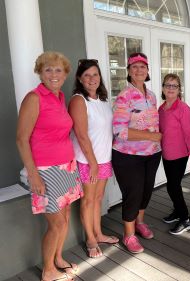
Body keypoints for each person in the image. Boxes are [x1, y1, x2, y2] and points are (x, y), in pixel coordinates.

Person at [16, 51, 83, 281]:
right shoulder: (34, 98)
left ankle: (58, 258)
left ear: (65, 74)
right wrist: (33, 175)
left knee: (64, 218)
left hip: (66, 166)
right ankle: (48, 271)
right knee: (56, 224)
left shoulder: (59, 97)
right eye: (48, 70)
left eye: (58, 70)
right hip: (45, 171)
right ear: (40, 73)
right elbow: (21, 139)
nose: (53, 74)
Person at [112, 52, 162, 254]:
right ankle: (129, 235)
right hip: (128, 156)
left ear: (148, 71)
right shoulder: (124, 97)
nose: (139, 70)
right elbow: (119, 131)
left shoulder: (151, 95)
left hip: (152, 154)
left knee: (146, 191)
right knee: (133, 194)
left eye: (143, 67)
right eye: (134, 67)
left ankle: (139, 222)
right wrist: (150, 137)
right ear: (129, 72)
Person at [69, 59, 118, 259]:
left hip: (104, 158)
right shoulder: (79, 100)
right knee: (88, 201)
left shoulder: (104, 101)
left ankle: (98, 233)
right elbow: (81, 135)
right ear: (80, 78)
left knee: (98, 198)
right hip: (88, 161)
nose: (92, 78)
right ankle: (90, 239)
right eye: (87, 75)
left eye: (95, 74)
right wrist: (93, 164)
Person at [159, 73, 190, 235]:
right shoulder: (161, 108)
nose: (170, 88)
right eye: (168, 85)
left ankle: (185, 219)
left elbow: (189, 135)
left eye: (174, 86)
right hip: (166, 154)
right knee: (172, 185)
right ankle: (177, 211)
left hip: (180, 155)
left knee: (173, 187)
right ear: (163, 88)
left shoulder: (183, 109)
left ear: (179, 89)